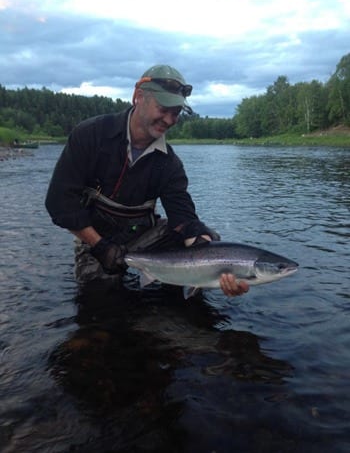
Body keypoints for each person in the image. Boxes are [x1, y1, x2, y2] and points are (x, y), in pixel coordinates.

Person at [45, 64, 249, 297]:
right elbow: (59, 203)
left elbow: (183, 218)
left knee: (210, 240)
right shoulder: (90, 135)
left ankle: (184, 294)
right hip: (94, 238)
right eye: (164, 109)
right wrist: (100, 246)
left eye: (176, 113)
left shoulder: (170, 164)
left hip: (145, 237)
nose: (170, 120)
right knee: (99, 292)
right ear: (138, 97)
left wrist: (215, 264)